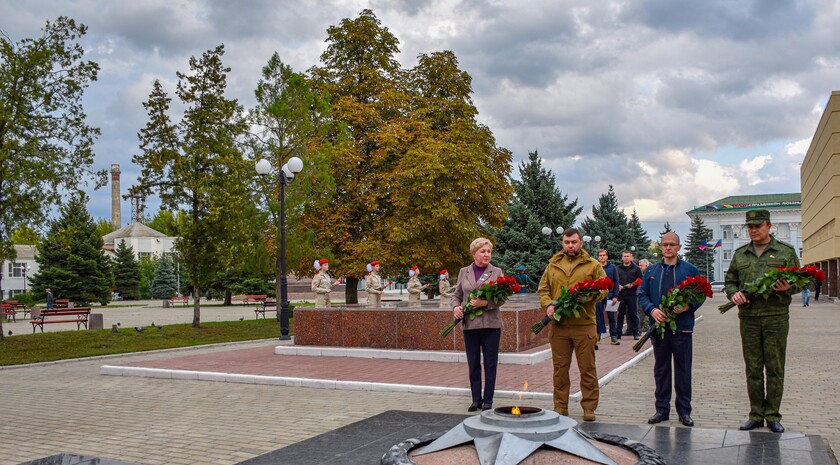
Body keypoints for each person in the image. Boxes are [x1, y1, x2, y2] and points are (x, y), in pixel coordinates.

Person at [725, 209, 799, 434]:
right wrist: (733, 294)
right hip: (748, 319)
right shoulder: (740, 254)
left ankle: (773, 415)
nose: (754, 230)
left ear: (769, 226)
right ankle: (756, 414)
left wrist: (790, 286)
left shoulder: (785, 252)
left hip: (775, 318)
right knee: (753, 368)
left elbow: (802, 281)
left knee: (775, 367)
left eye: (758, 226)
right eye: (750, 227)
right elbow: (730, 281)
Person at [538, 228, 607, 421]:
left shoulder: (592, 265)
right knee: (560, 368)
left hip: (584, 324)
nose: (570, 245)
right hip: (559, 326)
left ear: (580, 243)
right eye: (567, 242)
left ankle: (589, 408)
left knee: (587, 368)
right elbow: (543, 289)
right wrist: (548, 304)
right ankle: (560, 407)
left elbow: (604, 289)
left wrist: (591, 295)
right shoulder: (553, 265)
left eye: (574, 242)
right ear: (563, 243)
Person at [639, 232, 706, 427]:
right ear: (660, 247)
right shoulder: (651, 271)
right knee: (661, 370)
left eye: (672, 244)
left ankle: (684, 412)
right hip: (659, 329)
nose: (668, 248)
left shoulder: (689, 270)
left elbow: (701, 294)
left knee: (683, 370)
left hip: (682, 329)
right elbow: (642, 294)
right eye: (665, 244)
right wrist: (652, 310)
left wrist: (688, 306)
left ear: (679, 247)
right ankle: (661, 410)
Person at [452, 238, 505, 412]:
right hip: (470, 325)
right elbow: (457, 295)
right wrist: (456, 307)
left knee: (490, 364)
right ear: (474, 253)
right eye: (483, 251)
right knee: (473, 363)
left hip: (491, 325)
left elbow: (503, 297)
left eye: (489, 251)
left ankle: (488, 400)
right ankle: (476, 400)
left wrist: (486, 304)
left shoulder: (496, 272)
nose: (486, 254)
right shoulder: (464, 272)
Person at [595, 250, 620, 347]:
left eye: (603, 255)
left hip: (610, 295)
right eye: (600, 255)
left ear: (607, 256)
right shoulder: (596, 267)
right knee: (598, 317)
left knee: (611, 317)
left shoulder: (612, 268)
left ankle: (613, 336)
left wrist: (615, 296)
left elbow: (616, 282)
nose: (602, 257)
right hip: (599, 296)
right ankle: (598, 337)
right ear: (598, 257)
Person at [616, 250, 643, 340]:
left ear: (631, 257)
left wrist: (633, 284)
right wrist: (618, 286)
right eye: (624, 256)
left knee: (633, 314)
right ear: (622, 257)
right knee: (620, 314)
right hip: (621, 295)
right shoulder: (618, 268)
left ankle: (636, 333)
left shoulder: (636, 268)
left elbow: (640, 280)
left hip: (632, 295)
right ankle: (618, 333)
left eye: (628, 256)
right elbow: (614, 280)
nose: (626, 258)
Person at [637, 259, 652, 332]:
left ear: (646, 266)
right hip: (640, 294)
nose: (640, 267)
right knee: (640, 310)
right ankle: (642, 326)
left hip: (647, 295)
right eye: (639, 265)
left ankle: (646, 326)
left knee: (645, 310)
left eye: (641, 266)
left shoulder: (648, 273)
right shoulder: (640, 273)